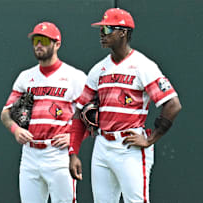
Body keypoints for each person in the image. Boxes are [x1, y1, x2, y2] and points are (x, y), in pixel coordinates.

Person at [69, 8, 182, 203]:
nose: (101, 34)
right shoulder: (99, 69)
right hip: (102, 146)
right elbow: (80, 112)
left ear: (123, 32)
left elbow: (173, 104)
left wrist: (150, 139)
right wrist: (73, 152)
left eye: (106, 29)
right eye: (101, 29)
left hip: (129, 147)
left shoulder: (143, 66)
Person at [0, 21, 87, 203]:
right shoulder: (26, 77)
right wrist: (16, 130)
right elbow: (6, 113)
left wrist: (74, 137)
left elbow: (93, 115)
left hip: (58, 154)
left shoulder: (74, 76)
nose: (39, 45)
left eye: (45, 41)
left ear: (57, 44)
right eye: (36, 40)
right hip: (30, 154)